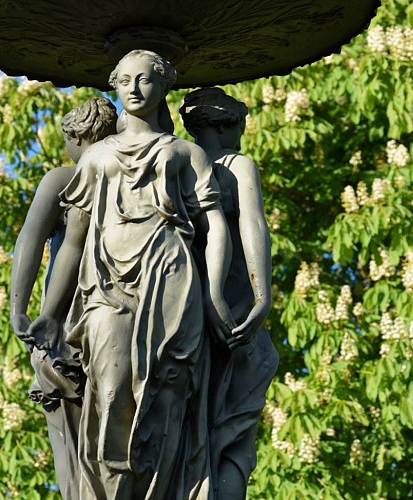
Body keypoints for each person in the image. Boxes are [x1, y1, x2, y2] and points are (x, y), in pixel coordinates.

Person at [25, 50, 234, 499]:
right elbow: (75, 242)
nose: (135, 89)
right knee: (109, 390)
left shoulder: (185, 153)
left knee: (168, 393)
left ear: (164, 87)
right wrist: (50, 310)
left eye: (145, 80)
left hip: (172, 280)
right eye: (125, 81)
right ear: (114, 87)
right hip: (106, 287)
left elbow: (215, 228)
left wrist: (215, 294)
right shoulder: (97, 158)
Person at [10, 96, 118, 500]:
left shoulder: (64, 178)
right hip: (120, 311)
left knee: (66, 433)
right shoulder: (129, 176)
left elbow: (30, 240)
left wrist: (17, 307)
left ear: (74, 136)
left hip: (66, 316)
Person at [180, 87, 279, 499]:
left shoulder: (176, 163)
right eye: (240, 124)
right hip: (233, 306)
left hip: (186, 306)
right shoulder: (237, 165)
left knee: (192, 423)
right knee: (234, 431)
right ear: (226, 124)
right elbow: (253, 228)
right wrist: (262, 297)